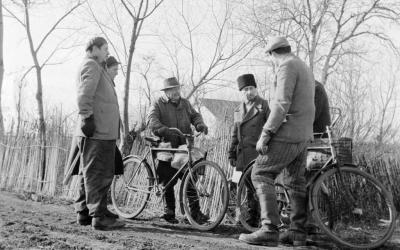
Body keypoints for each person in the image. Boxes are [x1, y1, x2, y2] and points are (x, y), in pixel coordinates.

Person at [239, 36, 315, 246]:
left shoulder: (286, 66)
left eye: (270, 57)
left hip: (287, 133)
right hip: (303, 135)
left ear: (273, 54)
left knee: (261, 173)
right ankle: (297, 233)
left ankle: (269, 229)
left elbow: (281, 104)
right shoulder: (303, 65)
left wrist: (266, 133)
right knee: (295, 181)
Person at [72, 37, 125, 230]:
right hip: (98, 131)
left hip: (101, 130)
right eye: (105, 49)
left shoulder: (97, 66)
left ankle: (85, 212)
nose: (107, 52)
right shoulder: (92, 66)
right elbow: (84, 94)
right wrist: (87, 116)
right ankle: (99, 216)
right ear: (93, 48)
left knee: (89, 172)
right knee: (98, 174)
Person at [146, 77, 209, 224]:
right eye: (172, 90)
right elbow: (151, 120)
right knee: (167, 178)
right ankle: (169, 212)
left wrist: (200, 124)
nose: (176, 92)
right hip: (166, 147)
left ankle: (194, 214)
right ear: (166, 92)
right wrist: (162, 130)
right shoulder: (158, 103)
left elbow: (195, 116)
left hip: (183, 148)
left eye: (177, 89)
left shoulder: (185, 103)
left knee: (190, 179)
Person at [228, 73, 270, 226]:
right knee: (243, 187)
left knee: (258, 187)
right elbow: (234, 134)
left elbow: (271, 128)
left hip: (258, 154)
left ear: (256, 89)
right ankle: (245, 218)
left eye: (251, 88)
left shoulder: (263, 106)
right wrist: (231, 152)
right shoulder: (238, 110)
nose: (249, 92)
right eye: (245, 89)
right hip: (242, 155)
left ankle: (258, 219)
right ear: (242, 91)